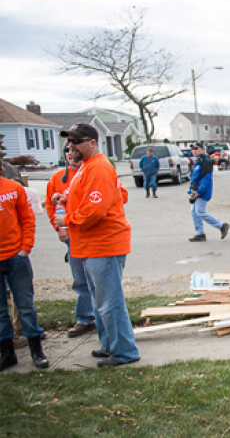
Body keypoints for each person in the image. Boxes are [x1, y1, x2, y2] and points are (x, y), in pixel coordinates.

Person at [54, 123, 140, 368]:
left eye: (77, 141)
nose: (72, 146)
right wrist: (68, 198)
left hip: (104, 245)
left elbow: (95, 210)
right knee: (98, 301)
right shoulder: (85, 168)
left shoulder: (99, 167)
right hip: (90, 246)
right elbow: (117, 194)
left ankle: (124, 351)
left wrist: (67, 218)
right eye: (69, 142)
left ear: (92, 142)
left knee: (109, 302)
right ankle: (110, 345)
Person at [44, 144, 95, 338]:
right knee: (80, 279)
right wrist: (58, 227)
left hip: (91, 235)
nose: (70, 154)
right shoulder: (57, 179)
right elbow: (50, 205)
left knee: (97, 279)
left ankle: (100, 318)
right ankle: (85, 318)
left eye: (73, 149)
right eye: (66, 151)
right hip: (72, 237)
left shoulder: (90, 173)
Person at [0, 169, 49, 371]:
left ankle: (36, 351)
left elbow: (27, 219)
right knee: (1, 310)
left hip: (15, 258)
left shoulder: (13, 188)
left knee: (25, 306)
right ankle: (7, 353)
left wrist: (25, 248)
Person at [189, 143, 230, 243]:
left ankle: (221, 226)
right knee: (194, 212)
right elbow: (194, 178)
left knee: (200, 212)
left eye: (196, 148)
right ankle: (200, 233)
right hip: (196, 190)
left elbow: (206, 178)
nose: (194, 151)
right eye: (192, 149)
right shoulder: (198, 161)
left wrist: (199, 191)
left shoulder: (205, 161)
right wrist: (191, 191)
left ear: (202, 149)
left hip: (202, 191)